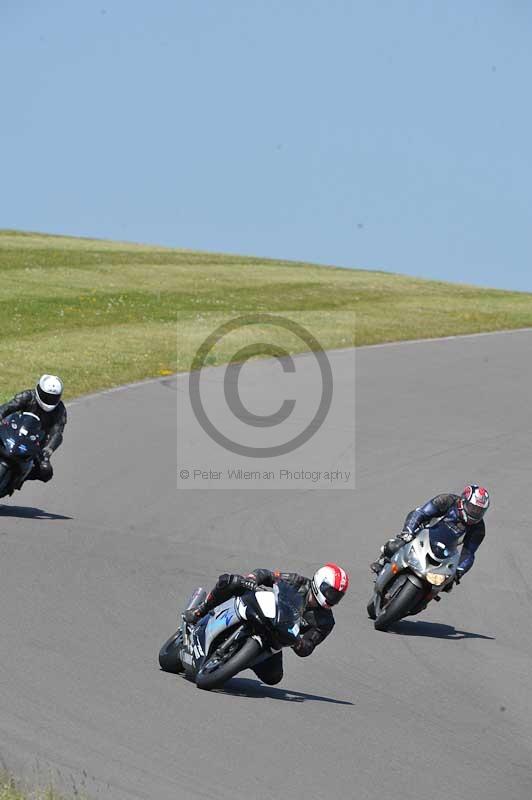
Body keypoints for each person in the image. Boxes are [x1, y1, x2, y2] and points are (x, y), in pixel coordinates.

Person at [184, 563, 349, 685]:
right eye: (331, 592)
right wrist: (252, 579)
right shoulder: (295, 581)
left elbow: (309, 646)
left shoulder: (325, 622)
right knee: (231, 581)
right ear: (320, 583)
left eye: (337, 596)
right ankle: (200, 611)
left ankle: (237, 660)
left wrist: (297, 642)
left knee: (274, 677)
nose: (332, 598)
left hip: (277, 638)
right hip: (262, 612)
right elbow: (266, 574)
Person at [370, 485, 490, 584]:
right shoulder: (447, 500)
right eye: (473, 508)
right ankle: (383, 561)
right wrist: (408, 531)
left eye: (479, 511)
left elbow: (469, 553)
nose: (475, 513)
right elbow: (421, 513)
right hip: (423, 534)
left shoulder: (479, 529)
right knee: (394, 546)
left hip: (446, 552)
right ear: (463, 501)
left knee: (447, 584)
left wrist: (459, 571)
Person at [0, 375, 66, 486]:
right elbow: (9, 406)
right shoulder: (28, 396)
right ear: (39, 390)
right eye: (46, 396)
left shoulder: (60, 410)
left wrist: (48, 450)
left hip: (36, 442)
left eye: (53, 397)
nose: (49, 400)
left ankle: (20, 478)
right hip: (13, 431)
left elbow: (57, 432)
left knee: (46, 472)